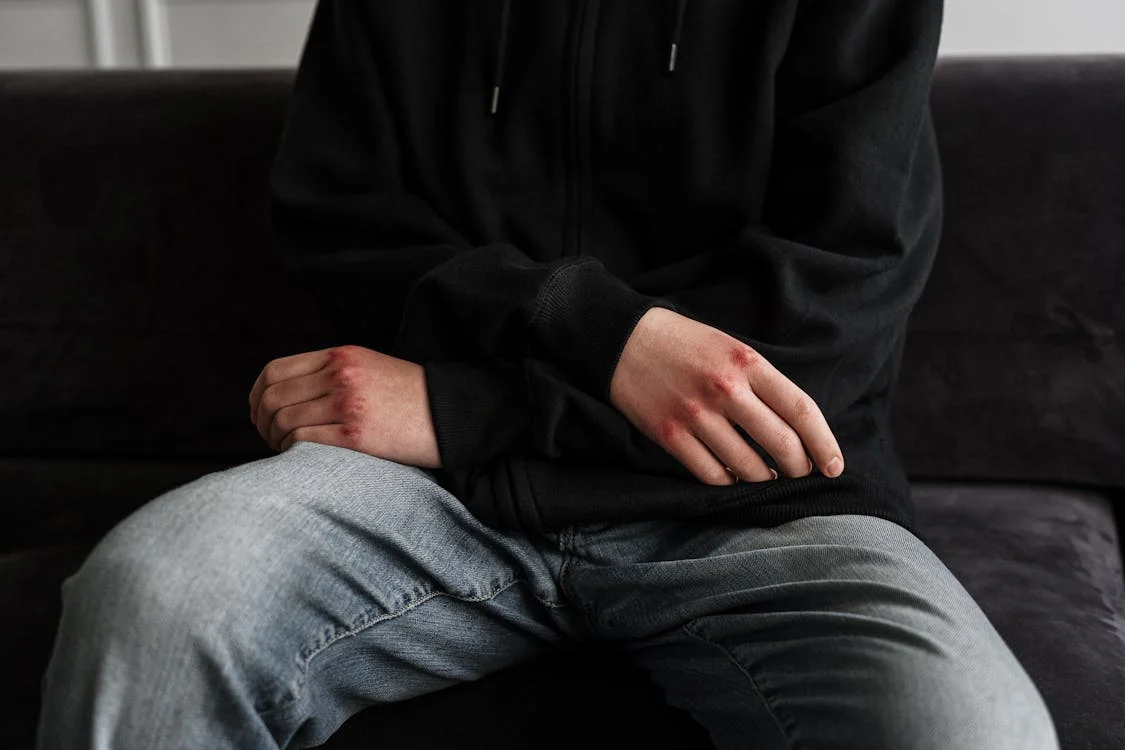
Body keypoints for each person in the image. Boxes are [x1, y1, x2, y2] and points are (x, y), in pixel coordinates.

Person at [37, 1, 1059, 748]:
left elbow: (826, 325)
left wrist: (465, 408)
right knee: (153, 598)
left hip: (759, 506)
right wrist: (603, 335)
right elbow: (342, 230)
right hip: (432, 499)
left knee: (976, 730)